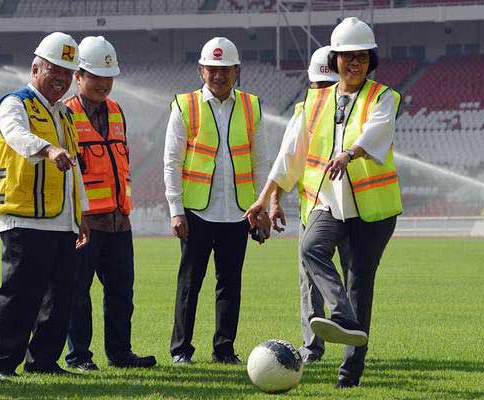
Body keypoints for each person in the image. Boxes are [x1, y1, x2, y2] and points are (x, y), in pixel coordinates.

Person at [245, 17, 402, 388]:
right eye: (347, 57)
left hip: (373, 210)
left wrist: (349, 153)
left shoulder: (384, 97)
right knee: (311, 247)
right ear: (334, 61)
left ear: (370, 60)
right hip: (329, 203)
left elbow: (376, 131)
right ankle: (341, 314)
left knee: (360, 283)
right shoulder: (313, 104)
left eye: (362, 57)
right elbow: (289, 156)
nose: (355, 63)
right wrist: (265, 198)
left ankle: (349, 375)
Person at [164, 37, 270, 365]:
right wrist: (176, 210)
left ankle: (224, 349)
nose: (218, 75)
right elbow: (172, 161)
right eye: (212, 69)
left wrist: (260, 207)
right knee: (189, 285)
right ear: (201, 70)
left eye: (225, 69)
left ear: (237, 71)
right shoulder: (185, 105)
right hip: (196, 212)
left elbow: (260, 162)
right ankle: (181, 350)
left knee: (230, 285)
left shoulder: (252, 106)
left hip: (237, 212)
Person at [0, 32, 90, 378]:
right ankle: (3, 363)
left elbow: (73, 164)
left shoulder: (64, 115)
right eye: (54, 71)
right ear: (35, 68)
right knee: (20, 294)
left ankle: (44, 362)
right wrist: (48, 149)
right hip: (23, 216)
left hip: (62, 219)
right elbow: (16, 135)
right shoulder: (14, 103)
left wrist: (82, 211)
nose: (61, 80)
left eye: (67, 73)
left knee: (60, 297)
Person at [63, 36, 156, 371]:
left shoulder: (117, 111)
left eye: (108, 77)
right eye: (95, 77)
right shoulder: (66, 115)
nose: (103, 84)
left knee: (121, 293)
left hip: (119, 221)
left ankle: (120, 353)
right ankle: (78, 357)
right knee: (77, 293)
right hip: (85, 222)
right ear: (78, 76)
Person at [269, 45, 350, 365]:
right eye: (320, 87)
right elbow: (286, 162)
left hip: (344, 211)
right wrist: (274, 198)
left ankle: (341, 346)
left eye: (327, 87)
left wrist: (273, 200)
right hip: (319, 212)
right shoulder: (305, 113)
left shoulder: (350, 113)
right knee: (312, 283)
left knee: (341, 281)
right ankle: (314, 347)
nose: (323, 93)